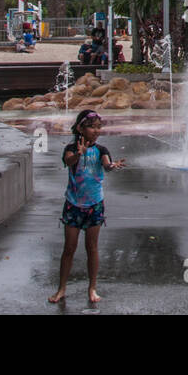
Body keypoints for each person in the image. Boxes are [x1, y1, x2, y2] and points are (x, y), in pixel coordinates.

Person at [49, 110, 120, 304]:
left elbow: (106, 164)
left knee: (92, 248)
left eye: (99, 127)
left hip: (94, 205)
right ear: (80, 128)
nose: (96, 131)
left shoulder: (102, 150)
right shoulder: (71, 148)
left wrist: (111, 166)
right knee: (69, 248)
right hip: (73, 205)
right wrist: (78, 155)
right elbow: (68, 161)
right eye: (92, 127)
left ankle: (92, 288)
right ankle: (61, 288)